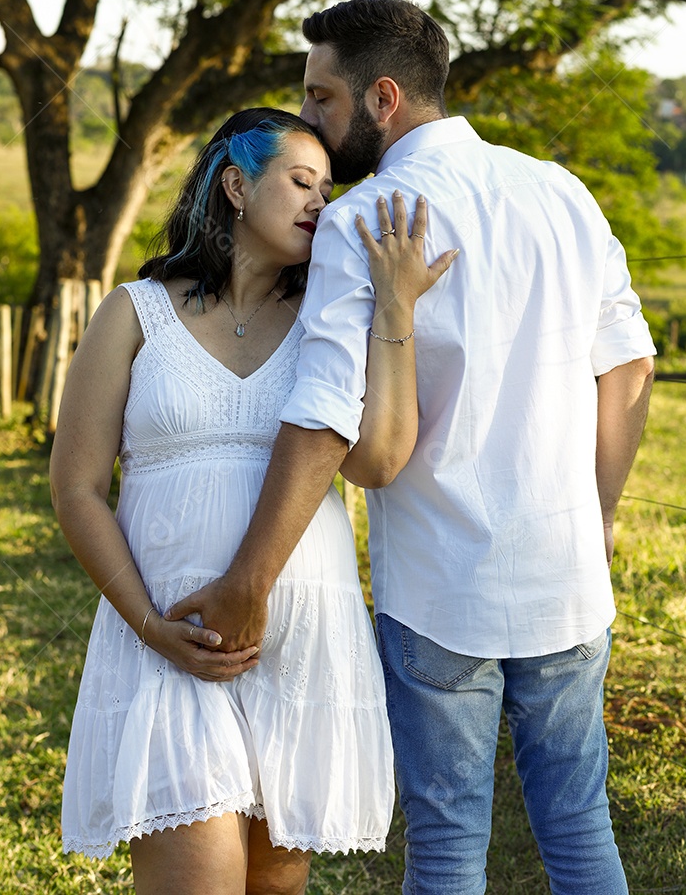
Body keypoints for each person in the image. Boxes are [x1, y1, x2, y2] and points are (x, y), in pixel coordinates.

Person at [165, 0, 657, 895]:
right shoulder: (560, 191)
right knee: (582, 825)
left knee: (446, 843)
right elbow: (627, 370)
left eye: (321, 98)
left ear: (382, 96)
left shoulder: (369, 222)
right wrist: (604, 512)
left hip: (441, 589)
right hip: (569, 576)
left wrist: (248, 581)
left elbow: (325, 418)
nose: (308, 119)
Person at [50, 106, 457, 895]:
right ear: (235, 185)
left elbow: (377, 457)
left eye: (329, 188)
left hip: (302, 650)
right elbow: (76, 488)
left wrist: (395, 310)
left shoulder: (331, 318)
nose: (322, 204)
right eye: (301, 182)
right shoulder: (135, 313)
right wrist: (150, 627)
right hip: (172, 643)